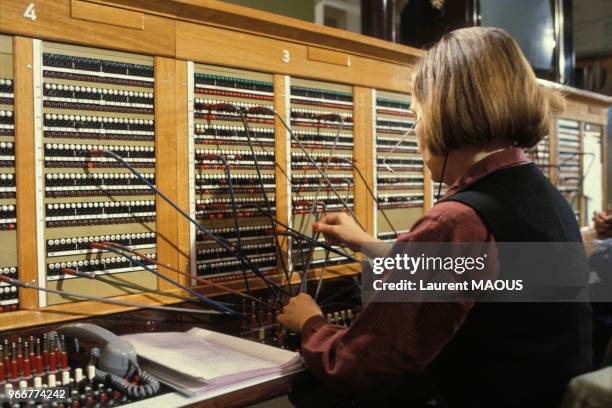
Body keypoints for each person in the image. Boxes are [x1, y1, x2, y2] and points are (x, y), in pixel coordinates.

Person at [277, 27, 593, 408]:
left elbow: (357, 363)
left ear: (444, 111)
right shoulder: (545, 195)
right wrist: (367, 244)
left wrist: (309, 321)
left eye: (416, 114)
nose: (416, 131)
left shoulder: (455, 221)